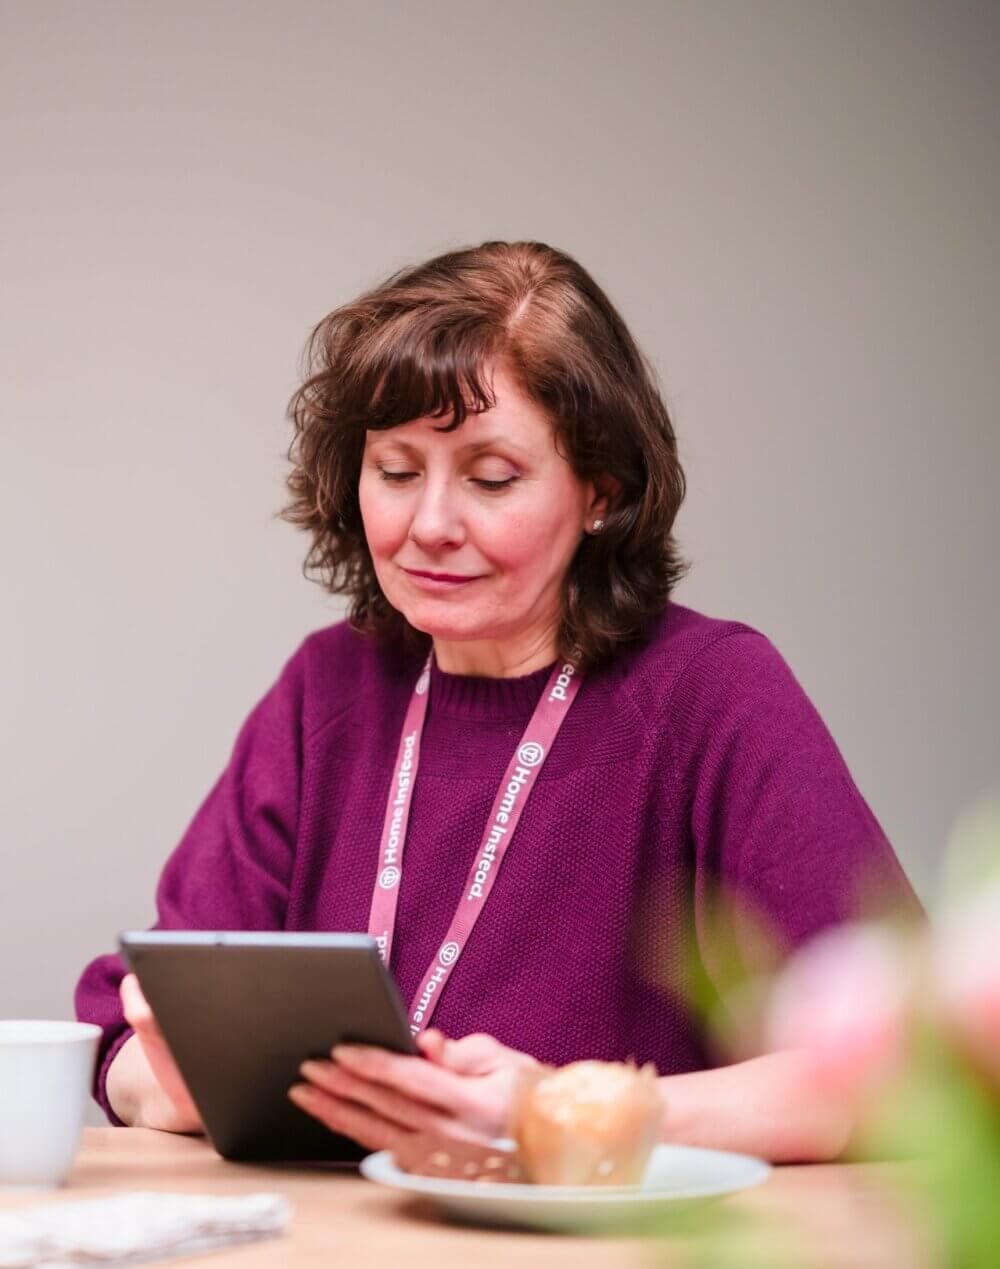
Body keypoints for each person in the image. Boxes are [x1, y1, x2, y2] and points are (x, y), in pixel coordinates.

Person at [75, 240, 921, 1163]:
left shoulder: (711, 695)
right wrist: (174, 1078)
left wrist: (554, 1109)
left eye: (490, 478)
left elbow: (905, 1069)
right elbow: (125, 1028)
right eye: (396, 471)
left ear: (602, 489)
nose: (430, 525)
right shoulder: (327, 689)